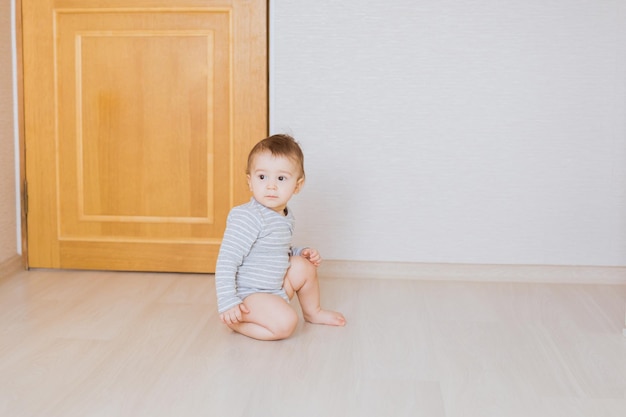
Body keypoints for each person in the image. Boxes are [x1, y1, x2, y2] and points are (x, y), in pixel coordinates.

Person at [215, 134, 346, 340]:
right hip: (249, 294)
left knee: (304, 266)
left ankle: (313, 312)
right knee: (287, 323)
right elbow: (226, 260)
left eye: (281, 178)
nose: (271, 186)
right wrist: (228, 300)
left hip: (274, 288)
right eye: (262, 177)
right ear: (250, 181)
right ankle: (239, 322)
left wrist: (299, 252)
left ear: (297, 185)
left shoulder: (284, 215)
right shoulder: (247, 216)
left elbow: (273, 249)